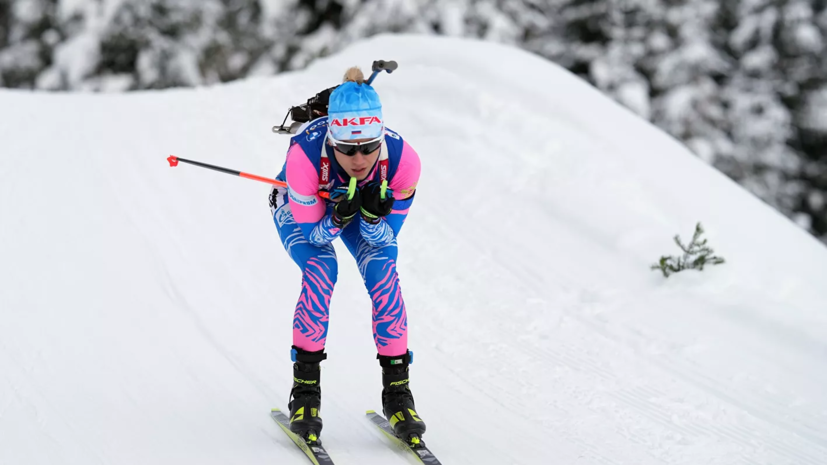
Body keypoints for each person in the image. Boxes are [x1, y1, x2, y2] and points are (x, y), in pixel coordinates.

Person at [269, 66, 425, 444]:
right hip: (303, 206)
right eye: (347, 149)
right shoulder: (304, 156)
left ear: (381, 138)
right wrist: (339, 214)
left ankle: (398, 395)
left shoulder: (404, 161)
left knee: (383, 272)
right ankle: (305, 395)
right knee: (323, 268)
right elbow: (315, 234)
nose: (360, 159)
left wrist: (370, 216)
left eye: (370, 147)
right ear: (332, 139)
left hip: (353, 211)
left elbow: (386, 236)